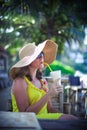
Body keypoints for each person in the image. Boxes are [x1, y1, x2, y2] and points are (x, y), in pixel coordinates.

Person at [9, 39, 78, 120]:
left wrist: (63, 115)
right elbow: (25, 114)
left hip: (44, 119)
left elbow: (50, 109)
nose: (42, 57)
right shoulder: (20, 82)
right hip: (28, 121)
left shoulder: (42, 81)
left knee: (72, 119)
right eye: (38, 56)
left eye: (42, 54)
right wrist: (48, 94)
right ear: (28, 62)